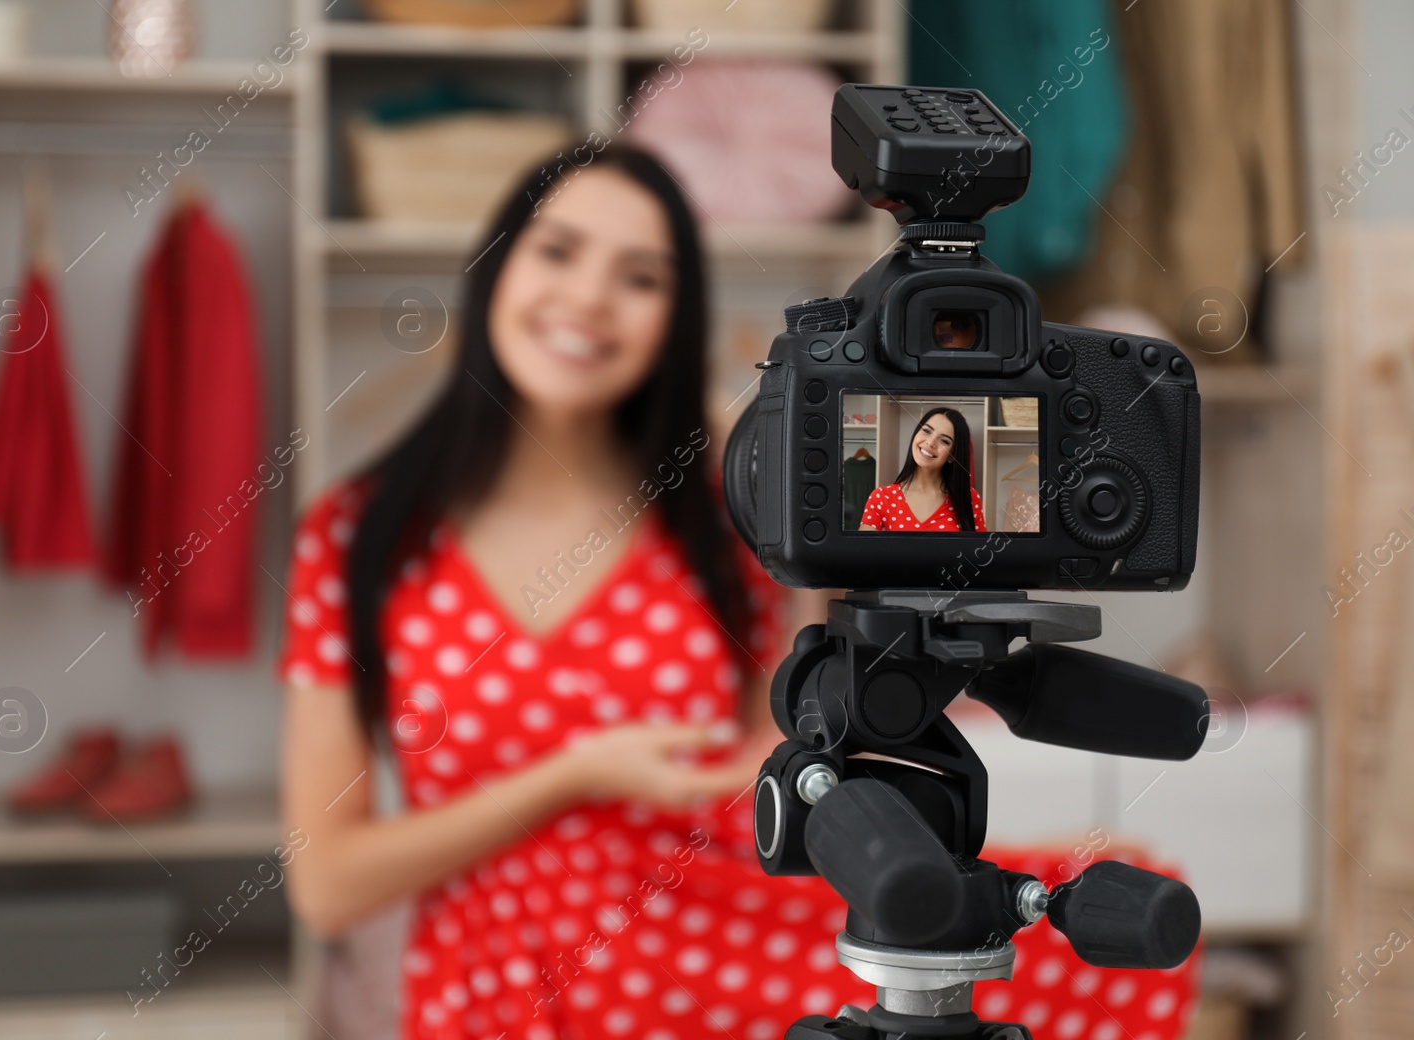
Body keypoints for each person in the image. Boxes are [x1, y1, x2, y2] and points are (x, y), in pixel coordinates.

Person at [277, 145, 871, 1040]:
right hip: (482, 1007)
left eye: (640, 277)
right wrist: (572, 779)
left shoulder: (723, 522)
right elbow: (327, 885)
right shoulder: (358, 535)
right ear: (497, 267)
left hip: (718, 983)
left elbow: (780, 787)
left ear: (677, 319)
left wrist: (782, 517)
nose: (588, 298)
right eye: (557, 252)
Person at [857, 407, 987, 532]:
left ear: (952, 456)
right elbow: (864, 552)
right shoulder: (881, 497)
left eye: (944, 441)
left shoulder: (969, 497)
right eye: (926, 431)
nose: (930, 443)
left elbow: (981, 552)